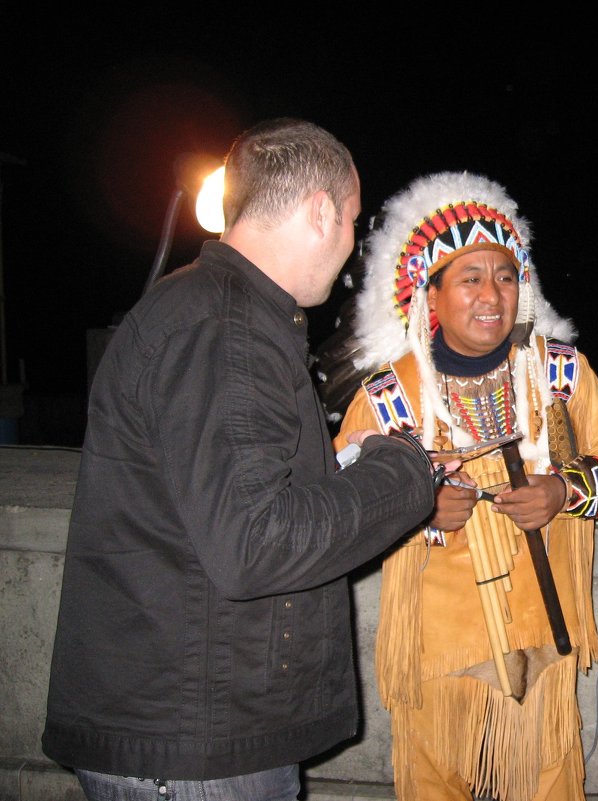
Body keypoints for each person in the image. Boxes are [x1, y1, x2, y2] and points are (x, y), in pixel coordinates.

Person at [41, 118, 442, 801]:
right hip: (196, 749)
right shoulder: (226, 330)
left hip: (188, 727)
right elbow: (256, 541)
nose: (349, 247)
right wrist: (406, 470)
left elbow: (227, 505)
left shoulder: (210, 312)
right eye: (349, 220)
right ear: (320, 212)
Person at [330, 172, 598, 801]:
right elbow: (340, 511)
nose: (491, 294)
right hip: (439, 653)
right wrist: (415, 509)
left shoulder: (561, 373)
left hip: (540, 639)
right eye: (469, 277)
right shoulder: (388, 398)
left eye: (504, 275)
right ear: (431, 295)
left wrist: (561, 493)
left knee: (547, 781)